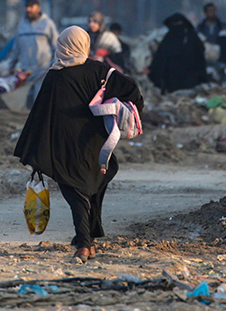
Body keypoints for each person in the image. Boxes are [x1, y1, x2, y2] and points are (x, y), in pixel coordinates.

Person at [14, 27, 144, 263]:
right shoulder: (100, 71)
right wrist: (116, 112)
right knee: (91, 190)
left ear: (62, 45)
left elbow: (41, 115)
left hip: (64, 146)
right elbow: (134, 91)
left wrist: (35, 152)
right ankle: (88, 240)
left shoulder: (55, 75)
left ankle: (84, 243)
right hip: (95, 144)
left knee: (76, 194)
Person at [12, 0, 58, 108]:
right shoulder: (21, 24)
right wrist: (11, 64)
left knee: (40, 100)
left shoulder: (47, 24)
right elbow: (16, 47)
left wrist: (54, 65)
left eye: (31, 7)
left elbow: (56, 46)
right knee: (22, 102)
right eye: (27, 7)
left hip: (42, 69)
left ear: (38, 8)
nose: (28, 9)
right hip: (24, 71)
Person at [149, 13, 207, 93]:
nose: (176, 26)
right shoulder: (168, 38)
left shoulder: (192, 38)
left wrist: (201, 76)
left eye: (179, 23)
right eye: (174, 24)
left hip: (190, 80)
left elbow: (200, 58)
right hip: (170, 81)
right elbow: (160, 59)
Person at [196, 3, 226, 69]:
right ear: (206, 13)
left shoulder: (223, 29)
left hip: (220, 62)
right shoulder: (200, 29)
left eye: (213, 10)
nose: (212, 13)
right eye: (210, 11)